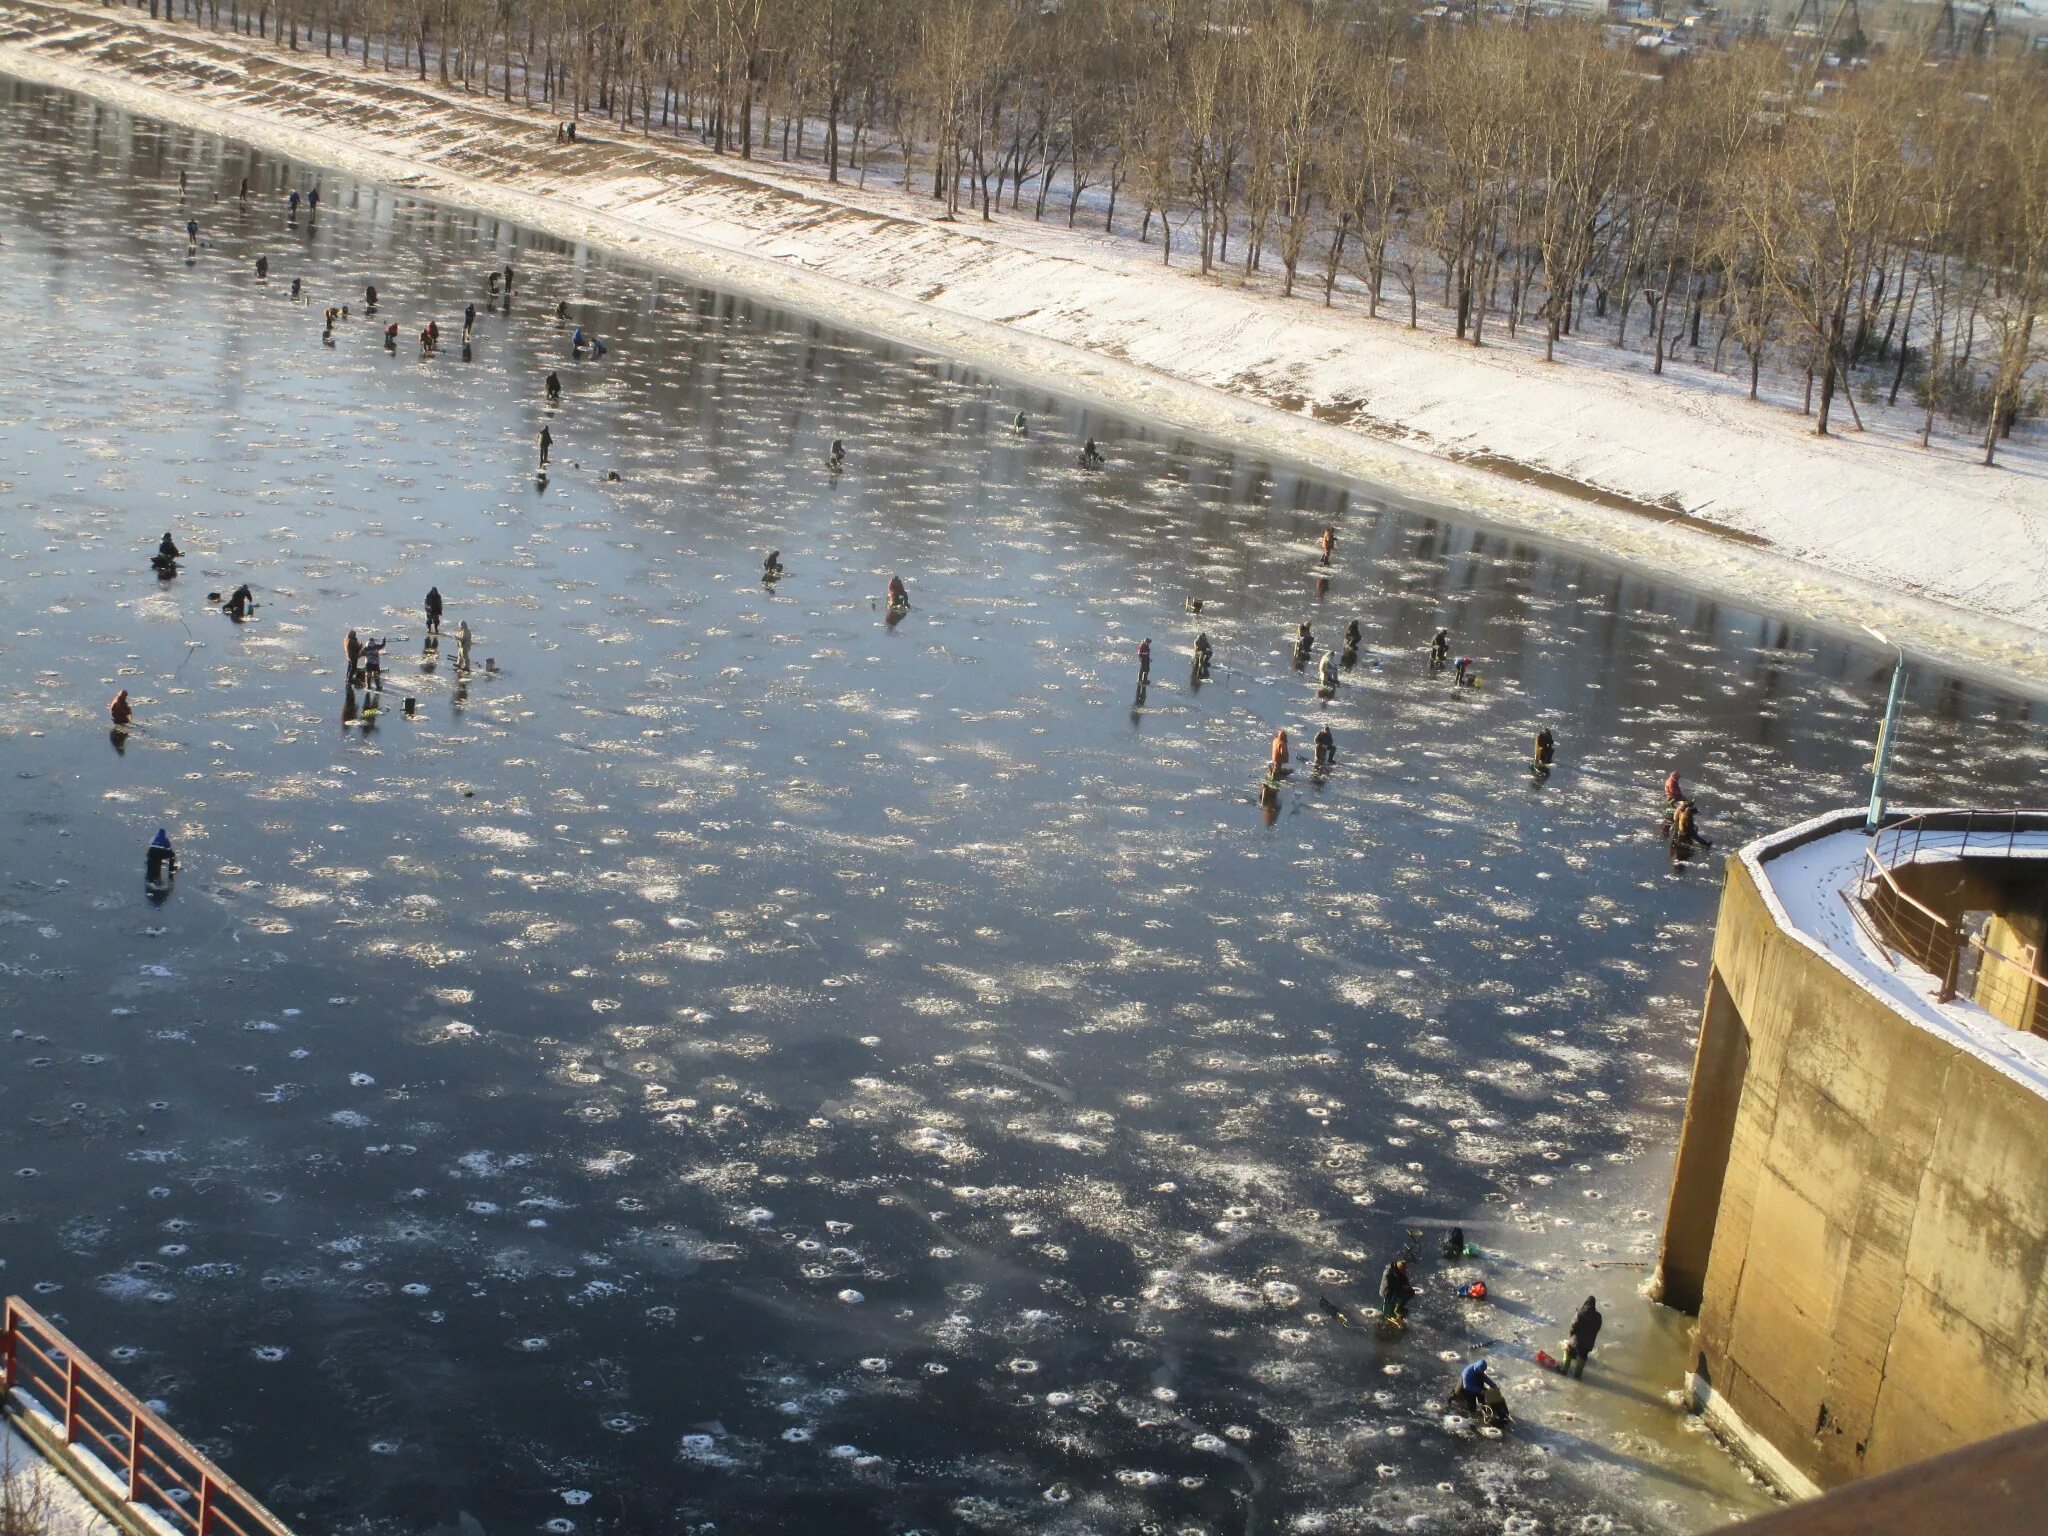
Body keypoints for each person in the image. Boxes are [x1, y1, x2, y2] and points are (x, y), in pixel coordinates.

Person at [1450, 1358, 1507, 1425]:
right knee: (1472, 1406)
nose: (1482, 1372)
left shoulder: (1480, 1370)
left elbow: (1485, 1378)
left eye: (1482, 1371)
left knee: (1485, 1399)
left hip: (1477, 1385)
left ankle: (1490, 1412)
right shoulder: (1467, 1373)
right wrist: (1480, 1391)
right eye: (1481, 1371)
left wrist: (1493, 1385)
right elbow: (1467, 1387)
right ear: (1477, 1369)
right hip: (1467, 1389)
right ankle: (1472, 1418)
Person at [1564, 1297, 1602, 1380]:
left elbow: (1573, 1326)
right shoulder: (1598, 1316)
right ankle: (1577, 1376)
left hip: (1575, 1341)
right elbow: (1597, 1329)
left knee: (1569, 1351)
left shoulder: (1580, 1313)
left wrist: (1570, 1339)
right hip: (1588, 1344)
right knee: (1582, 1357)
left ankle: (1564, 1370)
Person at [1379, 1257, 1416, 1322]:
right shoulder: (1388, 1274)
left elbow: (1404, 1280)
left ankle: (1399, 1307)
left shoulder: (1400, 1273)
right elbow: (1390, 1286)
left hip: (1396, 1290)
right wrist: (1402, 1287)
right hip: (1388, 1292)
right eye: (1403, 1270)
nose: (1404, 1272)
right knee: (1390, 1303)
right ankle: (1389, 1313)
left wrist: (1407, 1287)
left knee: (1411, 1292)